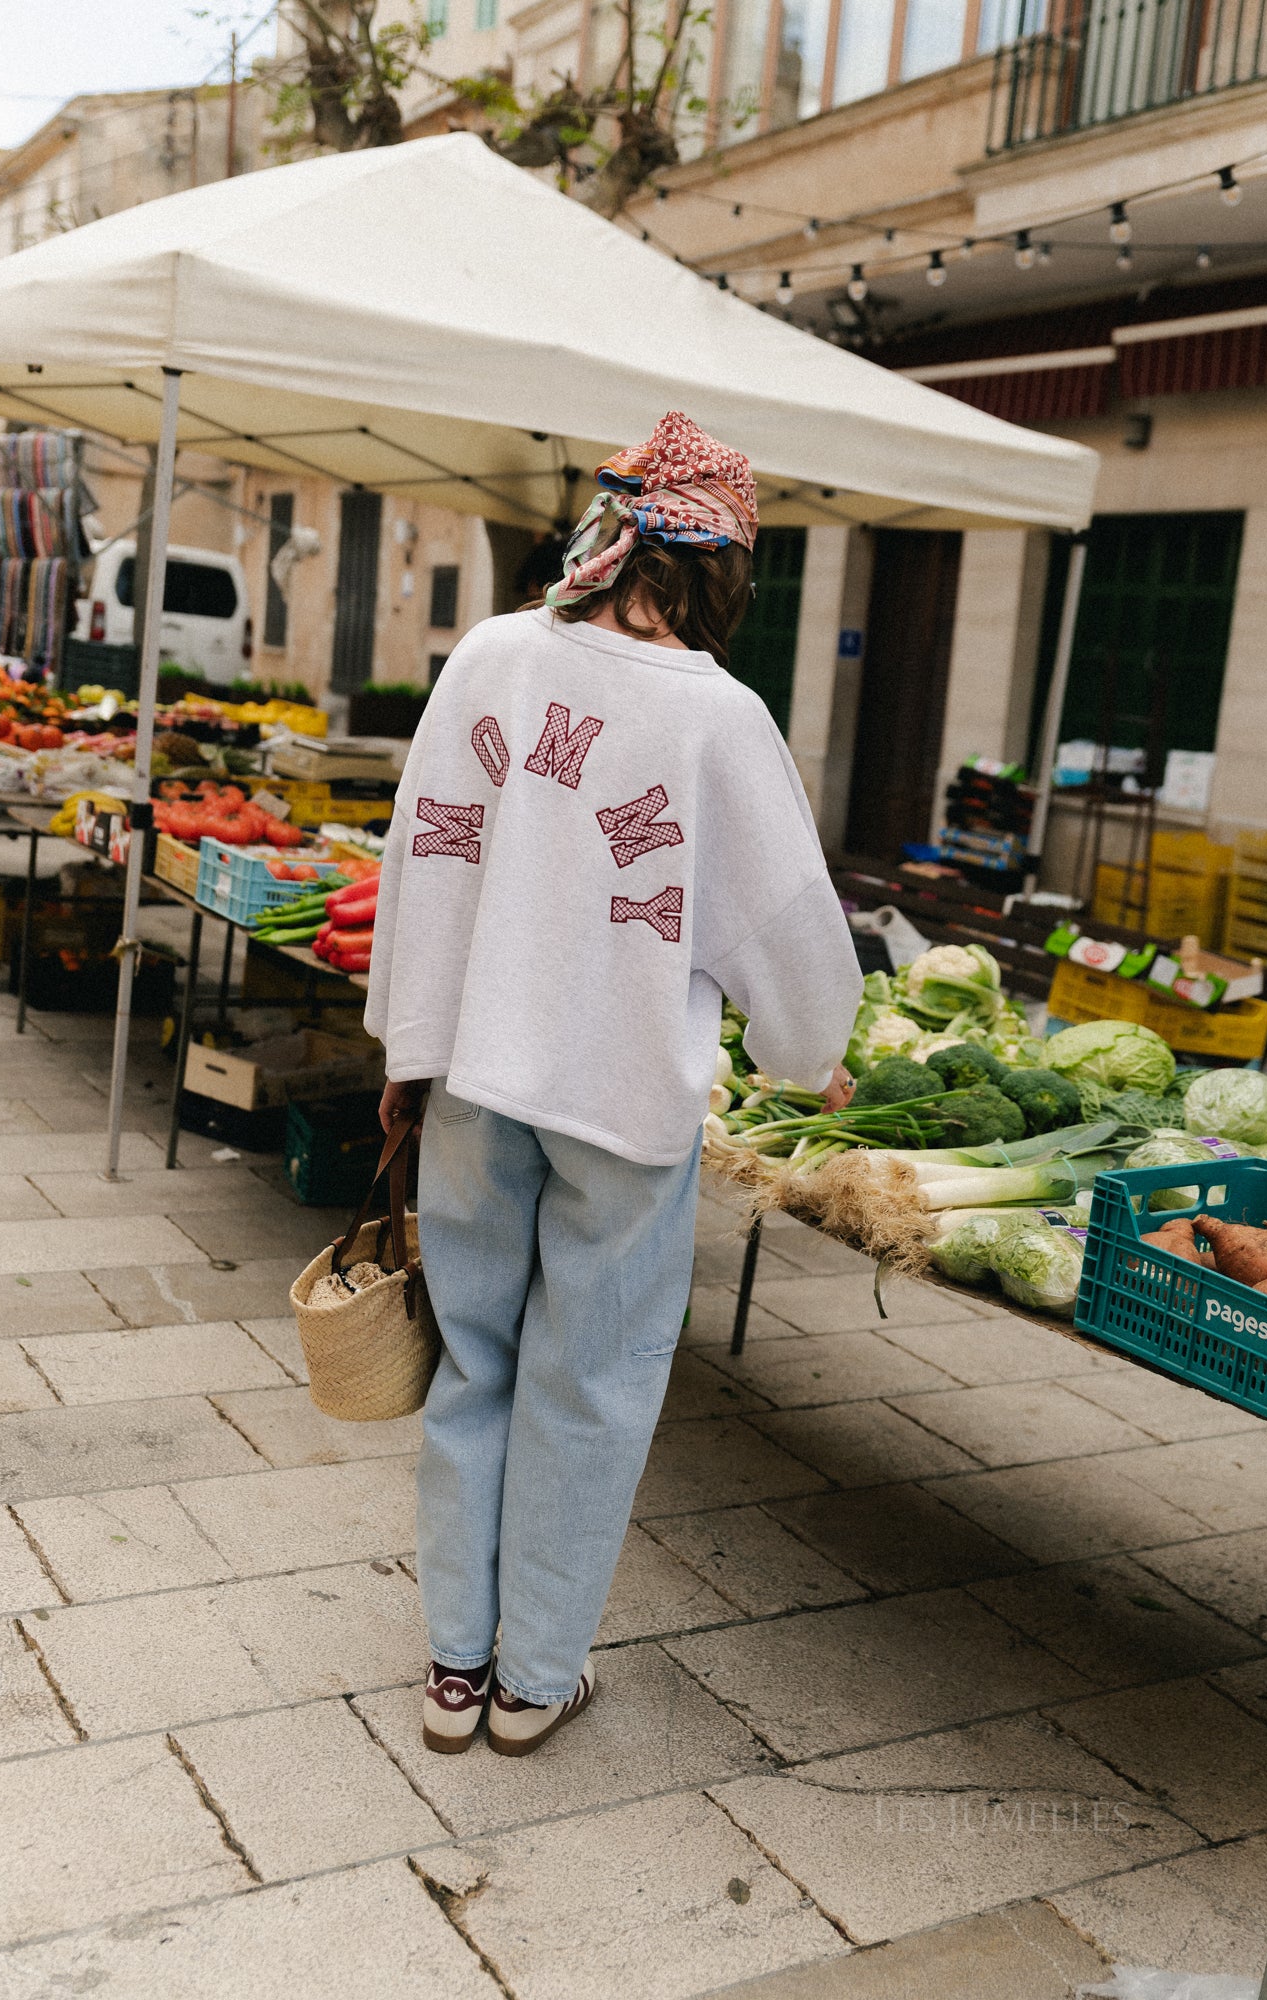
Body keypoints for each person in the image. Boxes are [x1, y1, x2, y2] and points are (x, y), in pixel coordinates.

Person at [365, 411, 862, 1758]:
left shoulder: (489, 657)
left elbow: (424, 852)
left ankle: (454, 1669)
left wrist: (405, 1049)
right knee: (589, 1383)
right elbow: (785, 924)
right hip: (623, 1099)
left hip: (475, 1076)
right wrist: (804, 1051)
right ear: (723, 567)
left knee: (472, 1359)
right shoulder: (718, 716)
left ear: (610, 535)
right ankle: (534, 1680)